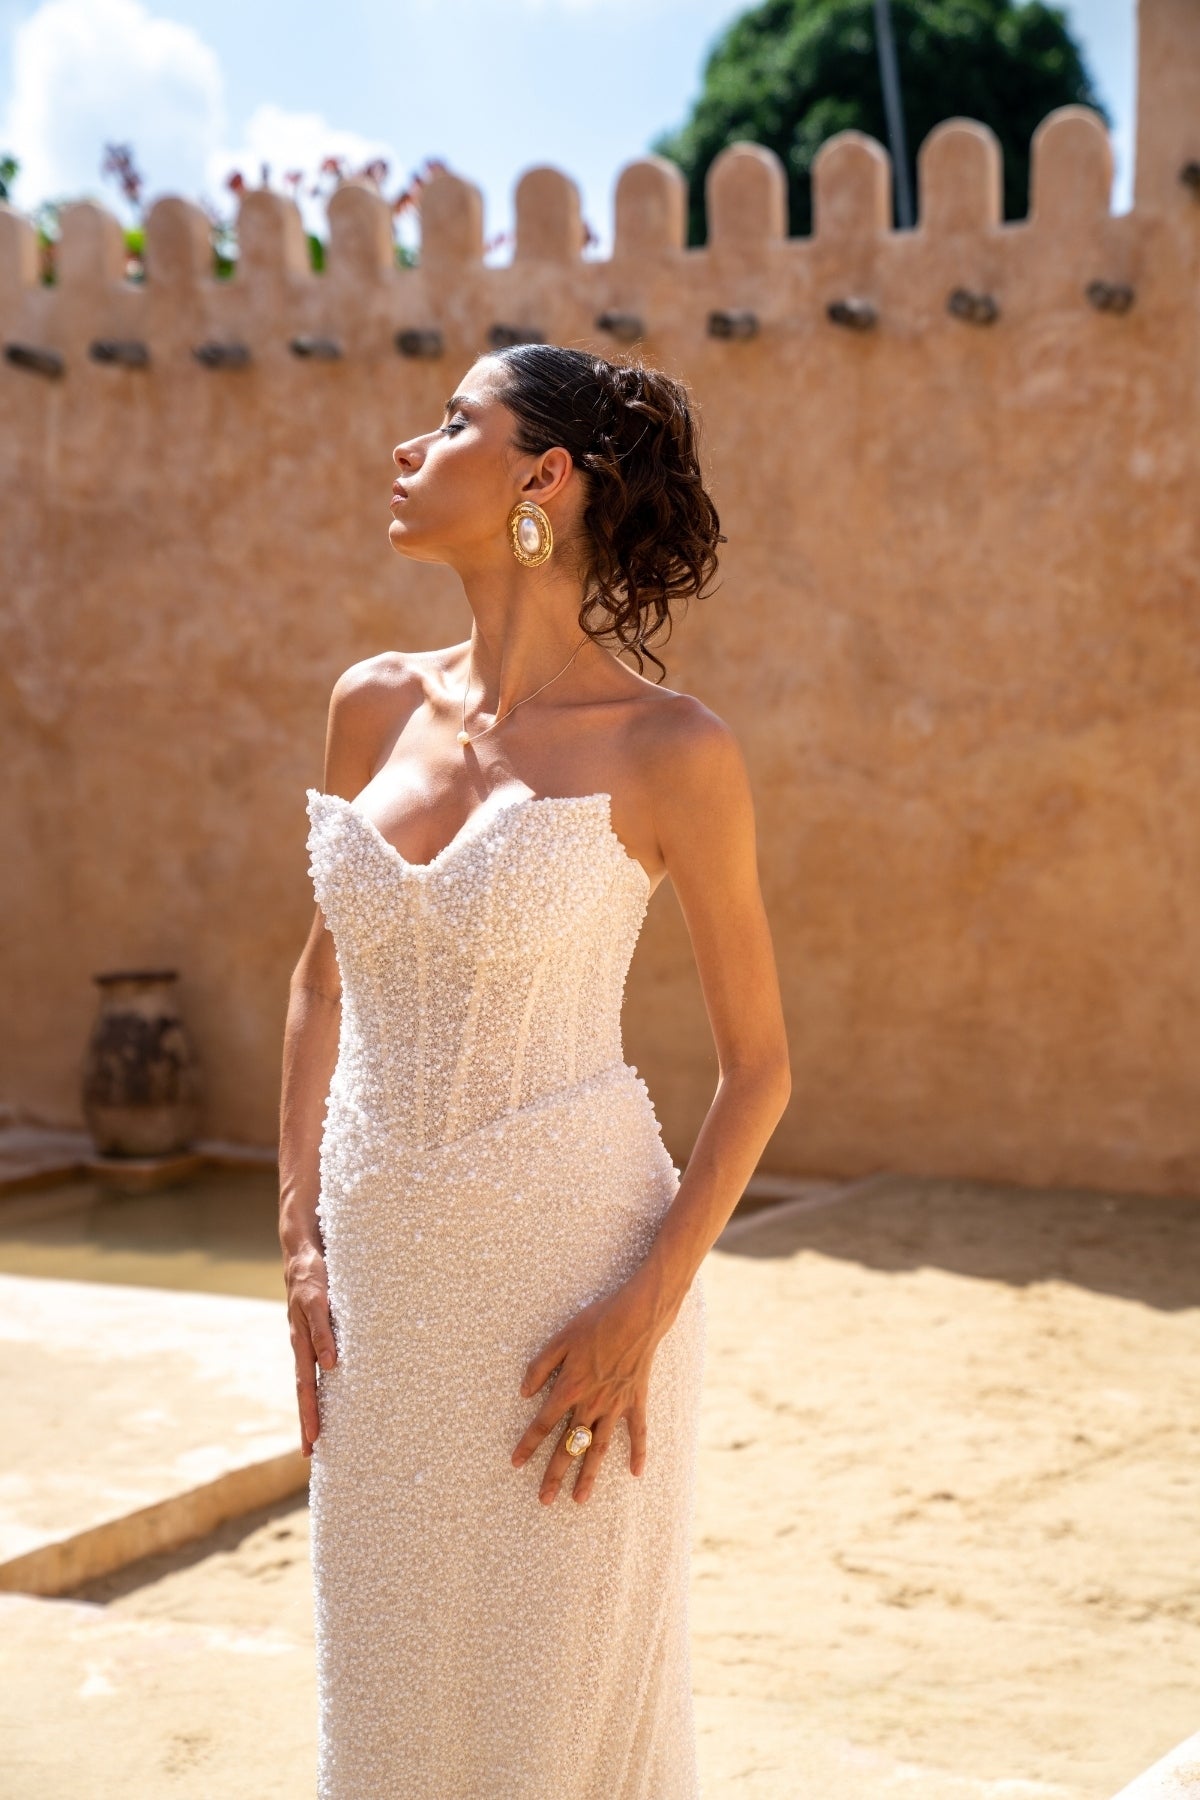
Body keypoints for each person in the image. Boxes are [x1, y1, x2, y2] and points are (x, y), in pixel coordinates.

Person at [278, 343, 792, 1798]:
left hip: (576, 1290)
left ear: (543, 481)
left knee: (543, 1719)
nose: (407, 446)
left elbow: (760, 1070)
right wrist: (296, 1237)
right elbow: (320, 983)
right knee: (385, 1699)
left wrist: (649, 1300)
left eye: (454, 422)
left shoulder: (670, 748)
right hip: (379, 1291)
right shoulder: (369, 705)